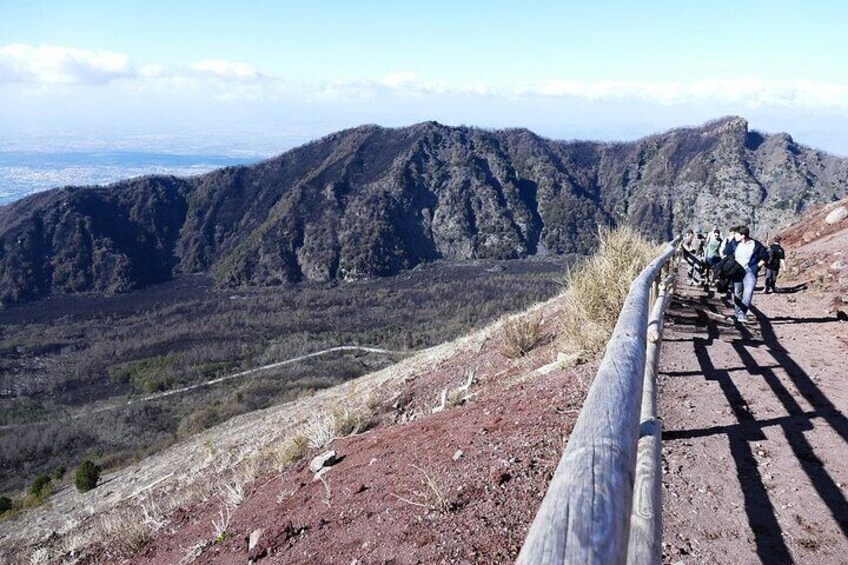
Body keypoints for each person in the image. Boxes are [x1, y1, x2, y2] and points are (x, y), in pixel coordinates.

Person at [731, 225, 770, 324]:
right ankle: (737, 312)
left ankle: (742, 313)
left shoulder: (756, 245)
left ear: (743, 235)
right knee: (737, 292)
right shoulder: (735, 243)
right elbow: (726, 252)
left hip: (750, 272)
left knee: (748, 293)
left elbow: (765, 257)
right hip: (737, 270)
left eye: (736, 234)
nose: (734, 236)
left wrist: (755, 267)